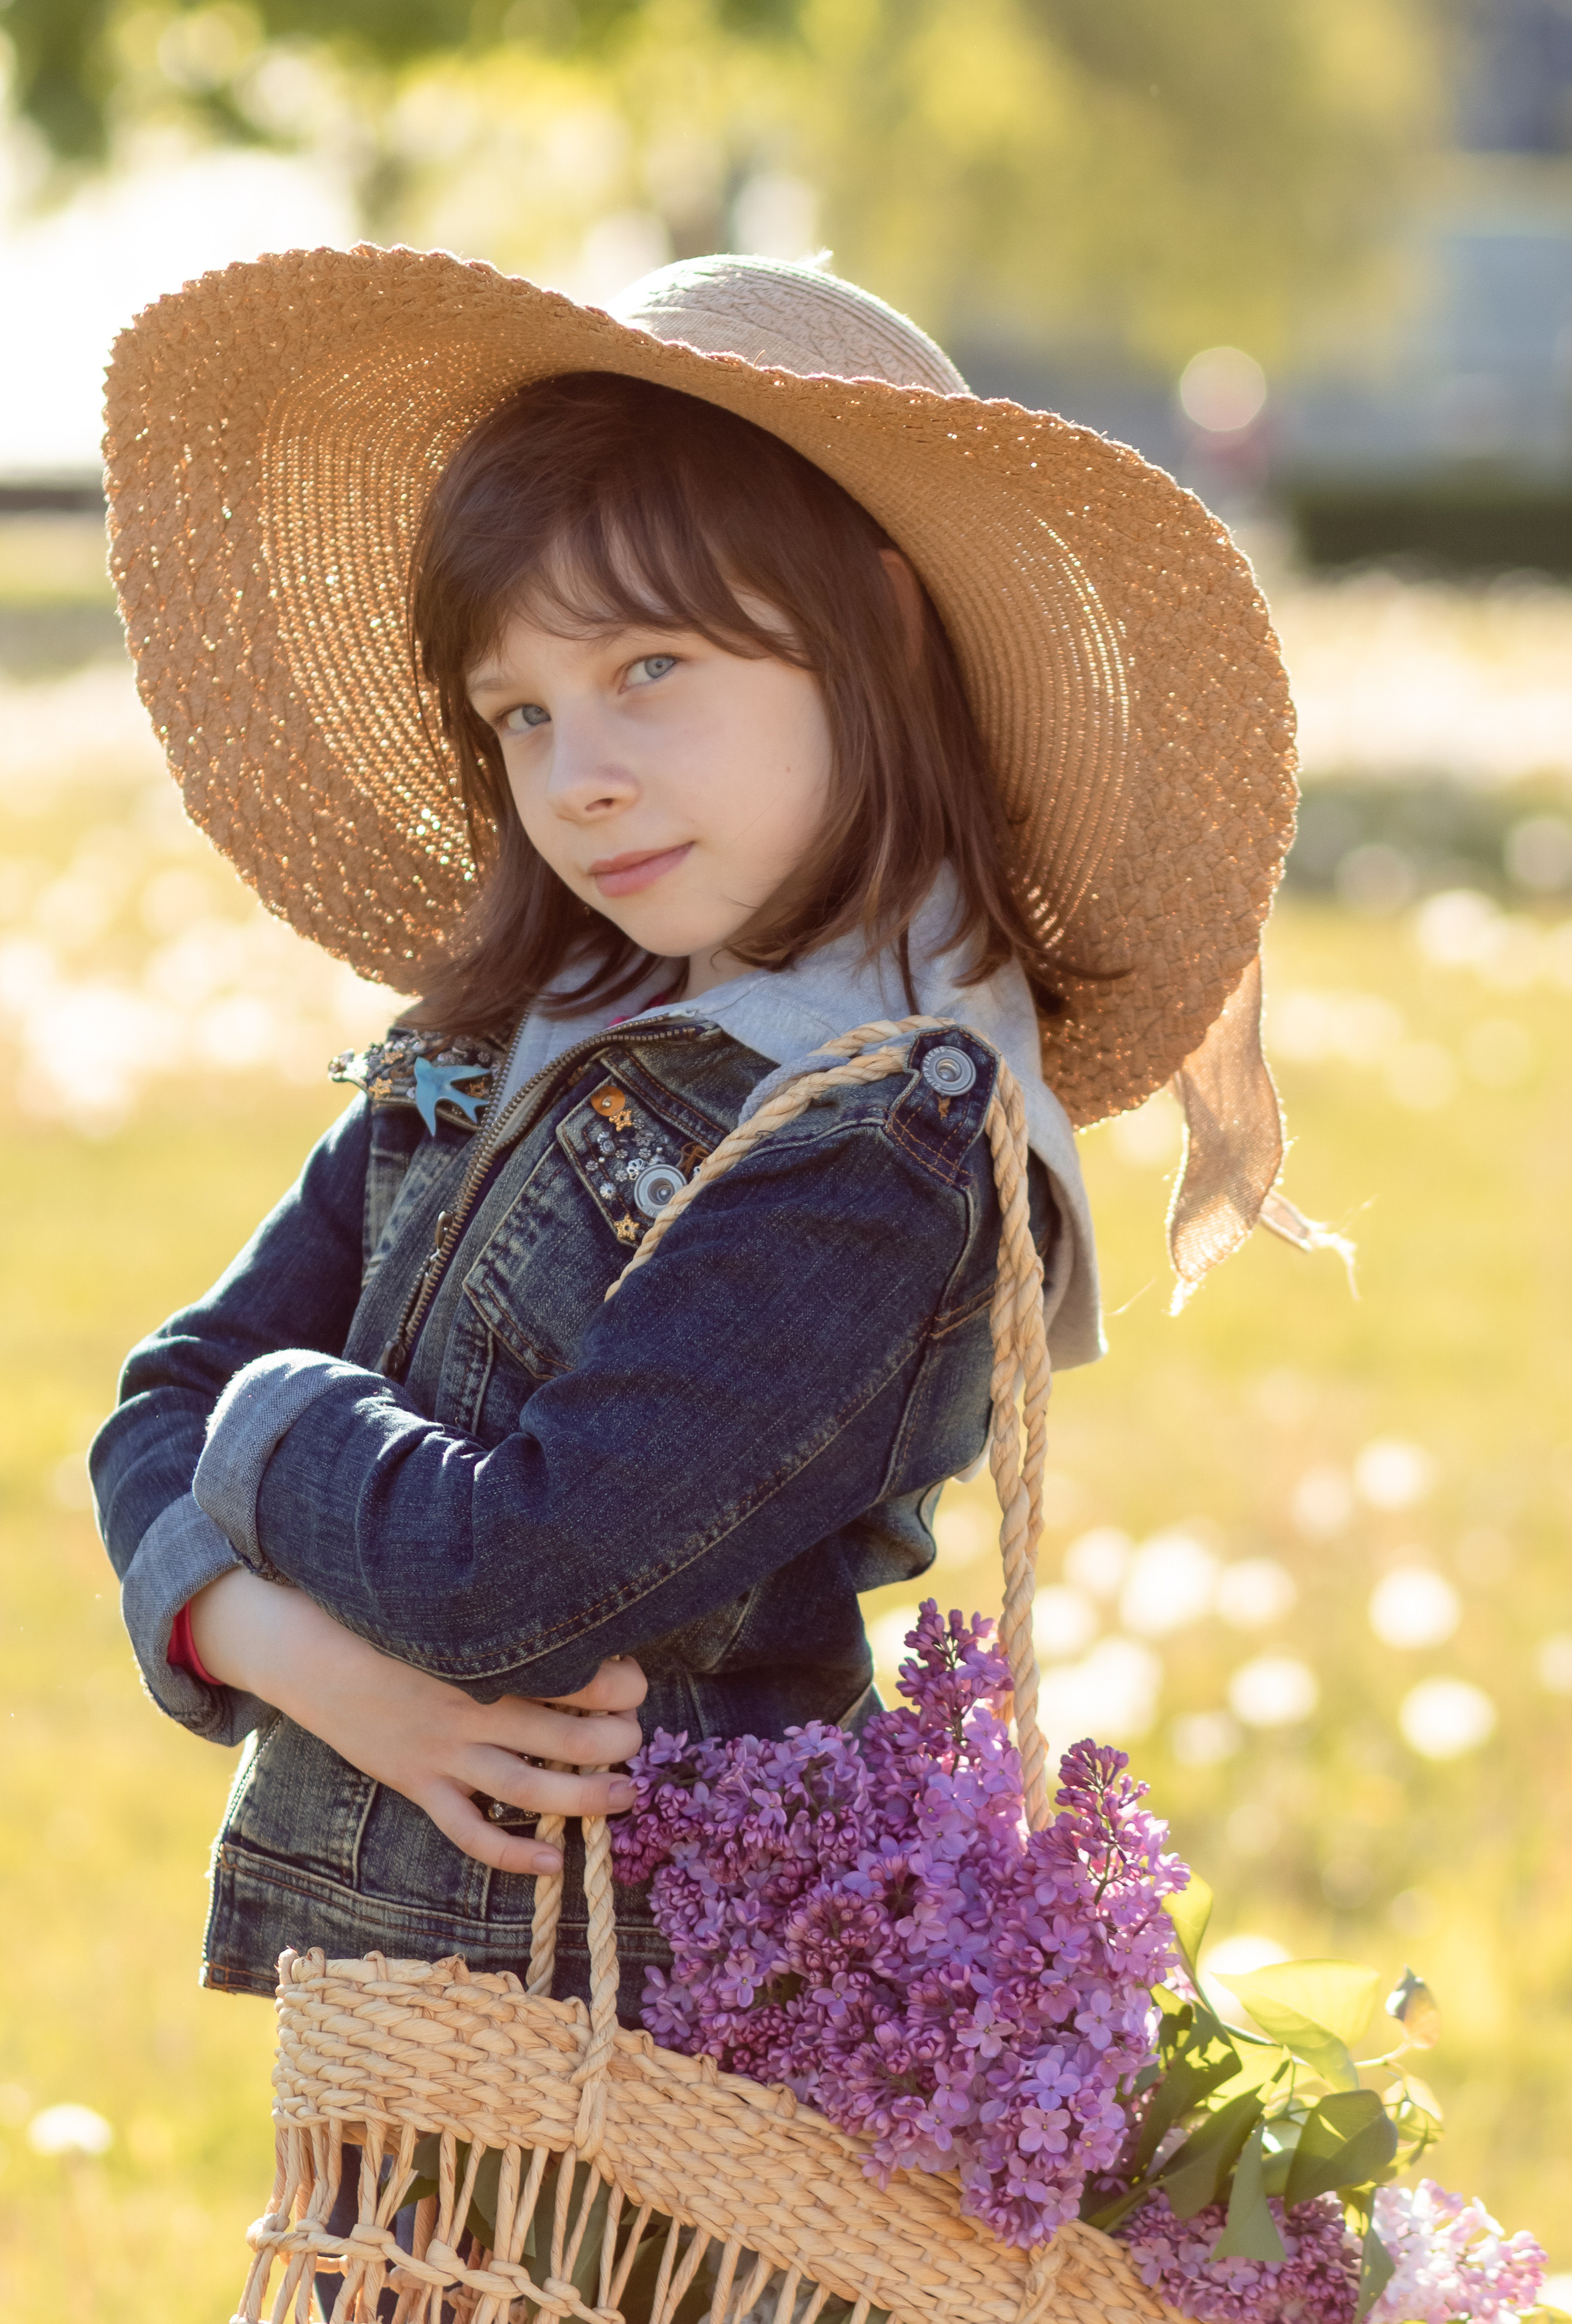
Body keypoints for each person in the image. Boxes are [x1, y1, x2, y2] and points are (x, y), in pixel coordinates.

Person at [91, 247, 1302, 2020]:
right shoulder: (518, 1028)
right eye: (522, 712)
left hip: (654, 2051)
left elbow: (516, 1570)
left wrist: (267, 1429)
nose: (577, 772)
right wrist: (289, 1651)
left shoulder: (880, 1135)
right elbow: (158, 1396)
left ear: (877, 632)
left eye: (647, 666)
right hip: (404, 2019)